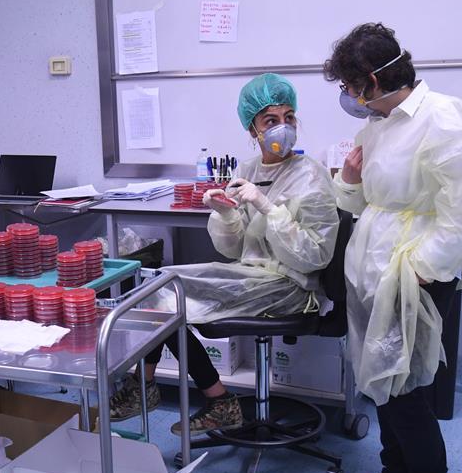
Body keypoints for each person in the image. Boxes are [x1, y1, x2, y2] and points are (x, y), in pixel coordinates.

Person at [324, 23, 462, 473]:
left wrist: (423, 268)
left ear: (372, 80)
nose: (348, 97)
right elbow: (359, 205)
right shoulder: (375, 127)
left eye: (350, 86)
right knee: (379, 382)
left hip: (415, 275)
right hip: (372, 271)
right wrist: (349, 180)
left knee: (405, 391)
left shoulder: (443, 118)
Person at [109, 73, 339, 437]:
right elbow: (233, 249)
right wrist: (226, 212)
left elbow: (315, 256)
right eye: (271, 121)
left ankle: (204, 399)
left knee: (168, 296)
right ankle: (159, 389)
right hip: (253, 275)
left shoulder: (311, 176)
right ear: (253, 130)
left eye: (289, 117)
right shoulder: (247, 170)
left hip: (292, 285)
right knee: (157, 288)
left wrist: (267, 207)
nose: (284, 127)